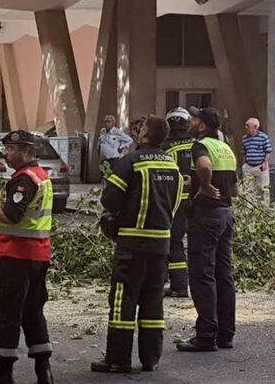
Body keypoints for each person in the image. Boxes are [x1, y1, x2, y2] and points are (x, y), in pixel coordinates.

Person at [91, 116, 182, 375]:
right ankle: (150, 359)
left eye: (140, 128)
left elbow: (110, 199)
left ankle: (117, 359)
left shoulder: (130, 162)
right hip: (160, 244)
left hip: (132, 242)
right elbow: (176, 203)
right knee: (153, 301)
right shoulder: (172, 165)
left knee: (123, 300)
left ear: (143, 134)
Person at [0, 130, 54, 384]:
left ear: (27, 151)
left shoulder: (24, 180)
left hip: (17, 256)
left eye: (10, 150)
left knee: (8, 313)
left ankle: (3, 373)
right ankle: (43, 370)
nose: (6, 155)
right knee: (33, 311)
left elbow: (12, 215)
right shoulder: (41, 176)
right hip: (38, 255)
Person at [177, 107, 238, 353]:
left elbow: (203, 165)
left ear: (202, 126)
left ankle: (205, 336)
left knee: (203, 276)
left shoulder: (200, 146)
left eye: (194, 119)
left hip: (207, 216)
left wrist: (202, 186)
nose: (190, 123)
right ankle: (226, 335)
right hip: (226, 214)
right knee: (224, 275)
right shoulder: (226, 148)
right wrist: (203, 183)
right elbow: (234, 190)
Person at [161, 108, 193, 299]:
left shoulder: (164, 148)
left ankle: (178, 285)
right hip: (199, 202)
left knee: (173, 242)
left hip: (173, 204)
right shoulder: (198, 145)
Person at [240, 117, 272, 195]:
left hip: (260, 166)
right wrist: (244, 164)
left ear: (255, 127)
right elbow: (243, 152)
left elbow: (268, 151)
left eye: (248, 125)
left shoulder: (263, 137)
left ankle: (263, 206)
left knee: (263, 189)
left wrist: (265, 162)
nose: (246, 127)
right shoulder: (244, 138)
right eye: (246, 125)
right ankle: (250, 206)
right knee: (248, 190)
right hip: (249, 166)